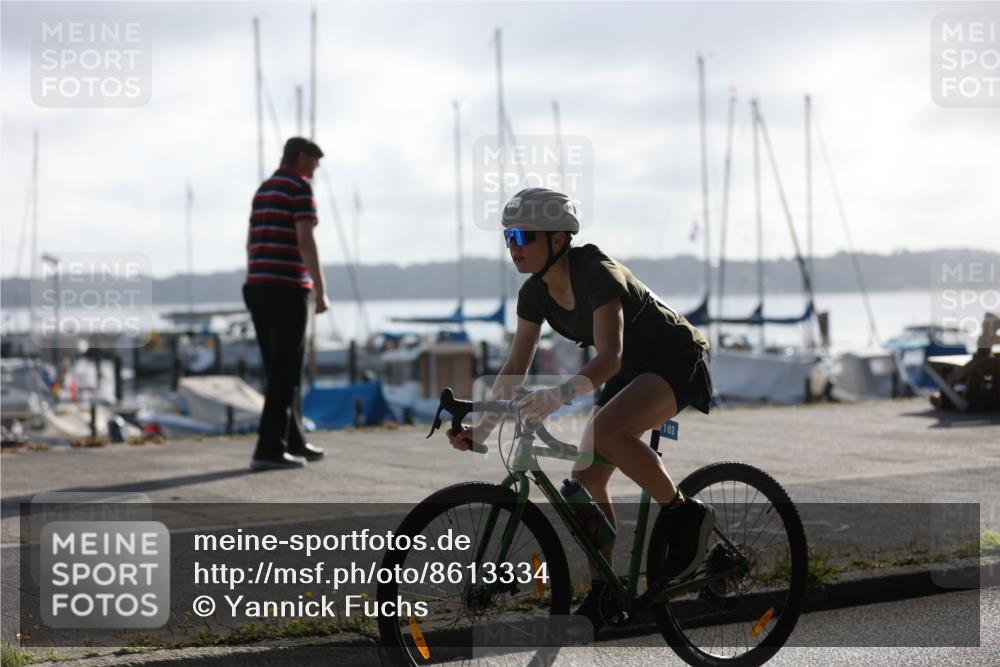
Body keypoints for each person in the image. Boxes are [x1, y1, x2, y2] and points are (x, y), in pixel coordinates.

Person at [446, 187, 716, 630]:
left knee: (609, 432)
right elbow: (516, 364)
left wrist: (557, 395)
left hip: (677, 360)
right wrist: (483, 427)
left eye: (522, 236)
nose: (512, 246)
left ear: (557, 239)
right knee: (586, 479)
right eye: (507, 237)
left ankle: (686, 512)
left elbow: (608, 357)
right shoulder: (534, 294)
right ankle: (605, 591)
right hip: (631, 372)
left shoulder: (597, 273)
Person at [243, 137, 330, 471]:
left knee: (277, 370)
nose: (316, 170)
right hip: (288, 288)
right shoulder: (299, 187)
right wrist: (320, 290)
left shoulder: (264, 189)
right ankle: (268, 449)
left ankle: (292, 440)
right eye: (315, 162)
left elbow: (250, 243)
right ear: (302, 157)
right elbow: (305, 241)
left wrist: (257, 275)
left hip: (258, 286)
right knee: (286, 372)